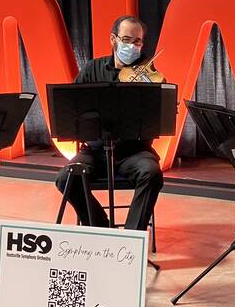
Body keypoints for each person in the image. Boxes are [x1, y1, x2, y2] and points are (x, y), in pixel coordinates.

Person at [54, 16, 163, 232]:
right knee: (66, 178)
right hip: (95, 150)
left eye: (138, 42)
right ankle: (101, 229)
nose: (132, 46)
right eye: (126, 39)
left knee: (152, 173)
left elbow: (156, 119)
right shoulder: (92, 69)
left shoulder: (147, 74)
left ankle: (132, 238)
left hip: (134, 151)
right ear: (113, 39)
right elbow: (72, 109)